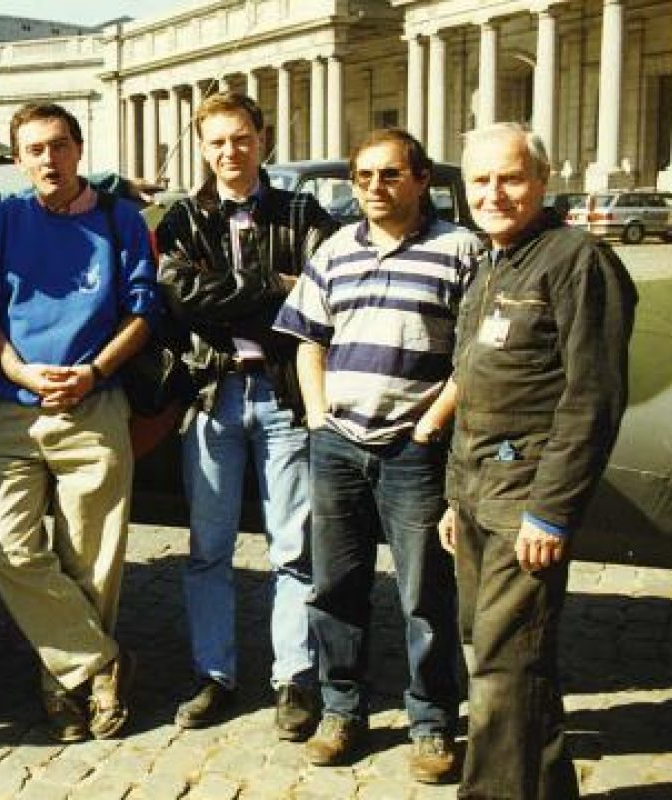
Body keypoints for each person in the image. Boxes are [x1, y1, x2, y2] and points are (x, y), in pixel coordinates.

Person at [273, 129, 480, 782]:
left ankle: (432, 721)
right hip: (338, 446)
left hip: (414, 452)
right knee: (336, 588)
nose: (374, 188)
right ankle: (342, 711)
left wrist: (431, 425)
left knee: (424, 594)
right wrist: (317, 416)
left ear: (420, 179)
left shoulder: (461, 250)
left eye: (390, 175)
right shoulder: (334, 251)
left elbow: (477, 356)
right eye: (363, 177)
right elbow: (307, 339)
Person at [440, 123, 635, 800]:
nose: (494, 193)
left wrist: (550, 513)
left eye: (510, 177)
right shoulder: (493, 262)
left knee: (501, 664)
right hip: (476, 495)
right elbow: (477, 384)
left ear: (542, 181)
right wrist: (452, 497)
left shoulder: (577, 262)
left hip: (526, 497)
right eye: (480, 181)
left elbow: (593, 400)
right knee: (515, 658)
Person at [0, 102, 159, 743]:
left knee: (91, 557)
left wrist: (95, 373)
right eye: (34, 149)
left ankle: (66, 686)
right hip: (9, 407)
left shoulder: (119, 219)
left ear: (79, 150)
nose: (48, 159)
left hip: (92, 404)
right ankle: (101, 661)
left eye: (59, 145)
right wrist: (18, 370)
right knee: (12, 551)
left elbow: (141, 311)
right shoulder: (0, 220)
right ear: (19, 159)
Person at [152, 91, 337, 735]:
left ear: (262, 139)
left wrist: (235, 295)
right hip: (212, 393)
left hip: (283, 393)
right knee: (208, 547)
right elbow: (182, 297)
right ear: (202, 148)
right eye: (216, 142)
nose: (230, 152)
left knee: (293, 546)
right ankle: (214, 675)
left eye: (241, 138)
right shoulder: (182, 220)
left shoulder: (301, 210)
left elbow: (323, 290)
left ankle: (294, 678)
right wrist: (272, 287)